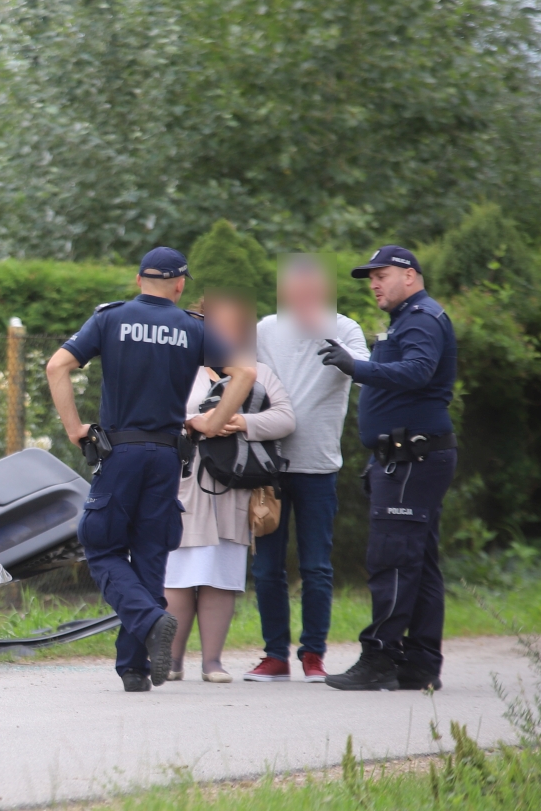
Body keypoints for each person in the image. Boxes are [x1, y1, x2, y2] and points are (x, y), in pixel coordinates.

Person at [47, 247, 256, 692]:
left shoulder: (109, 319)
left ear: (139, 279)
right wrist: (212, 422)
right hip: (167, 457)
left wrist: (73, 429)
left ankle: (149, 621)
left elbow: (57, 366)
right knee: (149, 557)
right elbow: (244, 373)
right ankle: (135, 670)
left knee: (100, 545)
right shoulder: (193, 327)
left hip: (119, 454)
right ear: (180, 285)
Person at [317, 246, 456, 691]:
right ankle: (419, 664)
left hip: (412, 459)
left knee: (393, 559)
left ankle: (379, 658)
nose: (374, 284)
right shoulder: (410, 318)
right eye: (370, 278)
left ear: (411, 276)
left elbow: (417, 372)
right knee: (419, 563)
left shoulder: (420, 318)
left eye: (382, 275)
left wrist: (356, 367)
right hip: (408, 457)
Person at [245, 257, 369, 683]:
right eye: (293, 290)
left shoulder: (345, 328)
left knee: (316, 566)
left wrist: (335, 344)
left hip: (318, 466)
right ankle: (274, 655)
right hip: (268, 467)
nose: (301, 298)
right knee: (266, 568)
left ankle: (313, 654)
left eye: (309, 290)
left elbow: (366, 371)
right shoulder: (263, 330)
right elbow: (242, 377)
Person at [167, 293, 294, 682]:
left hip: (236, 488)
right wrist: (197, 422)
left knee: (221, 574)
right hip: (186, 484)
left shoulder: (258, 371)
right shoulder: (178, 367)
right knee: (179, 575)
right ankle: (170, 662)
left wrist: (240, 423)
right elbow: (157, 416)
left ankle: (213, 663)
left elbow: (286, 419)